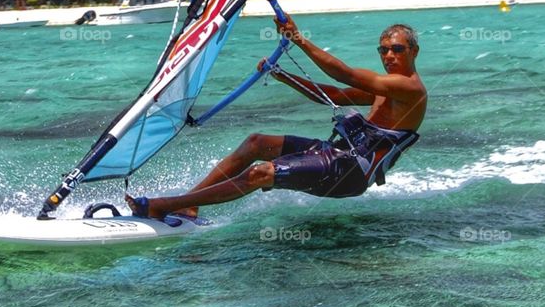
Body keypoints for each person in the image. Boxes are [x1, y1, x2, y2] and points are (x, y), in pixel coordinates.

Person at [126, 17, 427, 221]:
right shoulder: (384, 86)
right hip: (337, 155)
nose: (388, 55)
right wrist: (284, 76)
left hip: (351, 174)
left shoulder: (410, 88)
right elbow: (334, 93)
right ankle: (191, 202)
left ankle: (162, 205)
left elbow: (344, 73)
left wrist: (297, 38)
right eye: (384, 50)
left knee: (260, 173)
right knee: (257, 142)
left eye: (397, 50)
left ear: (413, 51)